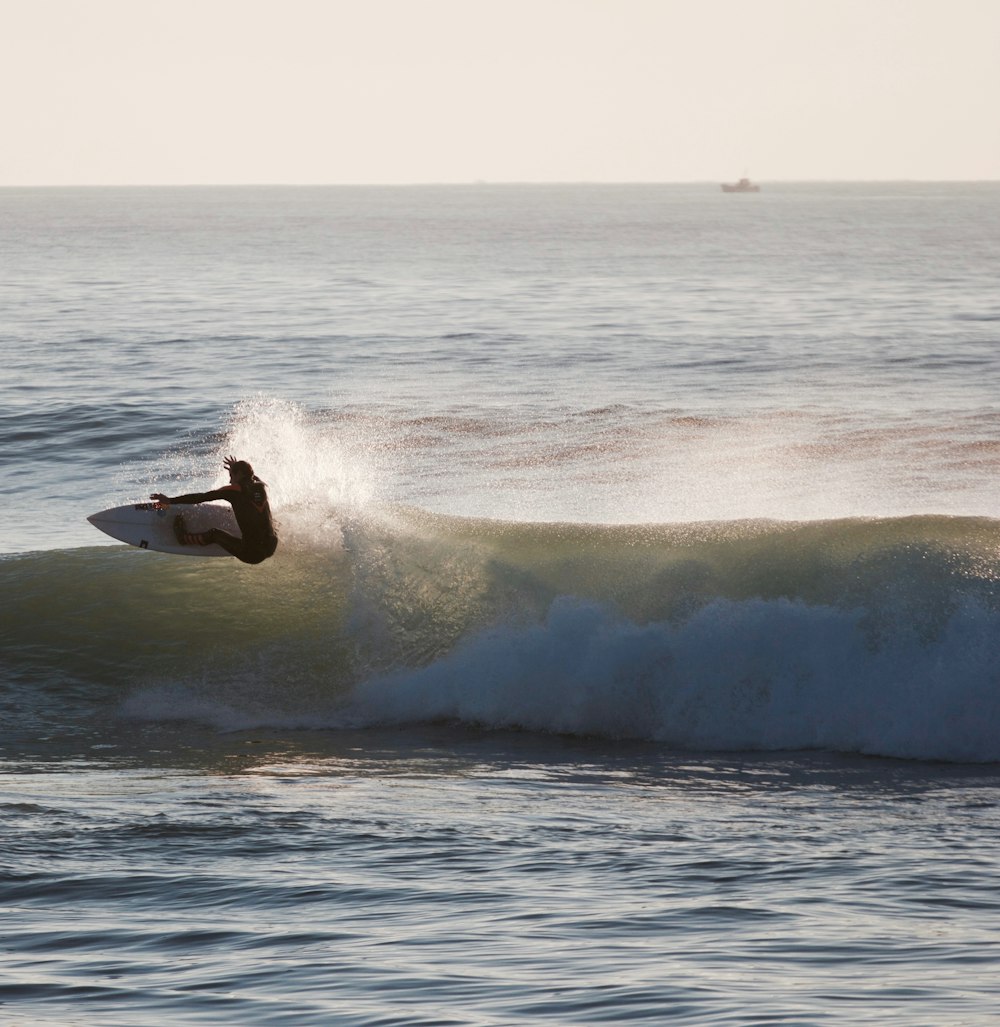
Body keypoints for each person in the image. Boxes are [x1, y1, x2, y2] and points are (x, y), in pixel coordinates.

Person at [150, 456, 278, 565]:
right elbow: (251, 476)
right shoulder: (261, 486)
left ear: (238, 474)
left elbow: (201, 497)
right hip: (271, 547)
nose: (230, 480)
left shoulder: (234, 491)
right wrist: (236, 467)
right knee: (264, 518)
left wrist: (170, 501)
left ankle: (184, 538)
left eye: (231, 475)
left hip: (252, 555)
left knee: (215, 534)